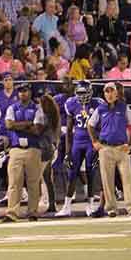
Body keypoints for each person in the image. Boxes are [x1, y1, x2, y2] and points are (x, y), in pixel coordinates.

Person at [88, 83, 131, 218]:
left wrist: (130, 144)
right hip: (105, 148)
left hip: (121, 148)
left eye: (112, 92)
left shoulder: (123, 108)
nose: (109, 94)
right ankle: (111, 208)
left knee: (128, 179)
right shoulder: (100, 109)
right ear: (104, 94)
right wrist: (95, 141)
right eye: (107, 92)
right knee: (107, 179)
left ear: (116, 94)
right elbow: (90, 125)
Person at [2, 82, 46, 222]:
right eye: (20, 91)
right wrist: (28, 123)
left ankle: (32, 211)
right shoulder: (12, 107)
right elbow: (9, 125)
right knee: (14, 182)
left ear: (30, 92)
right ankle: (12, 212)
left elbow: (37, 129)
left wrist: (18, 126)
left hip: (33, 147)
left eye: (25, 91)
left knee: (33, 182)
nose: (22, 93)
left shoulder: (37, 108)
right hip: (16, 149)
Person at [58, 82, 101, 217]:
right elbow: (69, 130)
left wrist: (98, 146)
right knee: (72, 173)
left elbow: (101, 127)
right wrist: (67, 152)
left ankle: (90, 205)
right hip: (77, 141)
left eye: (85, 93)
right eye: (80, 93)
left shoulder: (98, 104)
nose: (82, 97)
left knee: (90, 172)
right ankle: (66, 206)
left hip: (91, 142)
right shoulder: (71, 103)